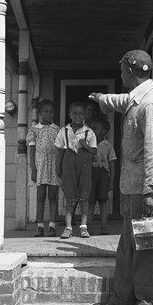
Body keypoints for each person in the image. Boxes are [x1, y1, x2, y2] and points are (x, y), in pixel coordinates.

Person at [89, 50, 153, 305]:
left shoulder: (151, 105)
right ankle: (125, 295)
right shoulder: (138, 97)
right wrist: (103, 99)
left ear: (129, 71)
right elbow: (122, 100)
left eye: (121, 70)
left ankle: (151, 300)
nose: (120, 74)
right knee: (128, 244)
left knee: (149, 246)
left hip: (149, 188)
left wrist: (152, 191)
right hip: (133, 186)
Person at [55, 101, 97, 239]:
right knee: (70, 197)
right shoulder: (64, 131)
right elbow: (60, 151)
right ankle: (68, 228)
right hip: (69, 164)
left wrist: (85, 146)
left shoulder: (89, 132)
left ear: (85, 115)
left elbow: (93, 151)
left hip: (84, 166)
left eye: (80, 113)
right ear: (69, 115)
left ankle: (83, 227)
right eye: (74, 113)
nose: (77, 116)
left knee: (84, 196)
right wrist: (58, 167)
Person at [26, 99, 60, 237]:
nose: (49, 114)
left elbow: (61, 149)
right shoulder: (34, 130)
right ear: (40, 113)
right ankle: (40, 226)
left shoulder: (57, 130)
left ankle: (52, 225)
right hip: (40, 167)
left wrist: (59, 167)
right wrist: (33, 169)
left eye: (51, 111)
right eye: (46, 111)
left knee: (53, 196)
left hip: (53, 166)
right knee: (41, 197)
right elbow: (31, 151)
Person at [89, 119, 116, 235]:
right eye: (92, 128)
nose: (93, 131)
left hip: (103, 175)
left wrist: (111, 181)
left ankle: (104, 226)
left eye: (96, 128)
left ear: (104, 131)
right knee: (90, 202)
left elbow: (112, 164)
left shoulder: (108, 146)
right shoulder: (89, 145)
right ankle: (88, 227)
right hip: (91, 174)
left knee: (103, 202)